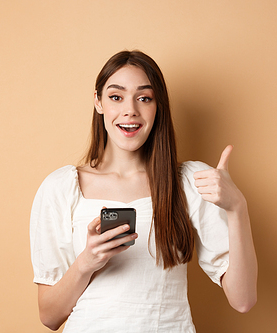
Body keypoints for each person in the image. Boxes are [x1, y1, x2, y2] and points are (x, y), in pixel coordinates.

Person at [30, 50, 258, 332]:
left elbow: (243, 299)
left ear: (157, 106)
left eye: (144, 98)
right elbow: (49, 316)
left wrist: (237, 207)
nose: (130, 110)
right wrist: (86, 262)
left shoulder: (189, 182)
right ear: (98, 101)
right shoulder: (60, 187)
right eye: (116, 97)